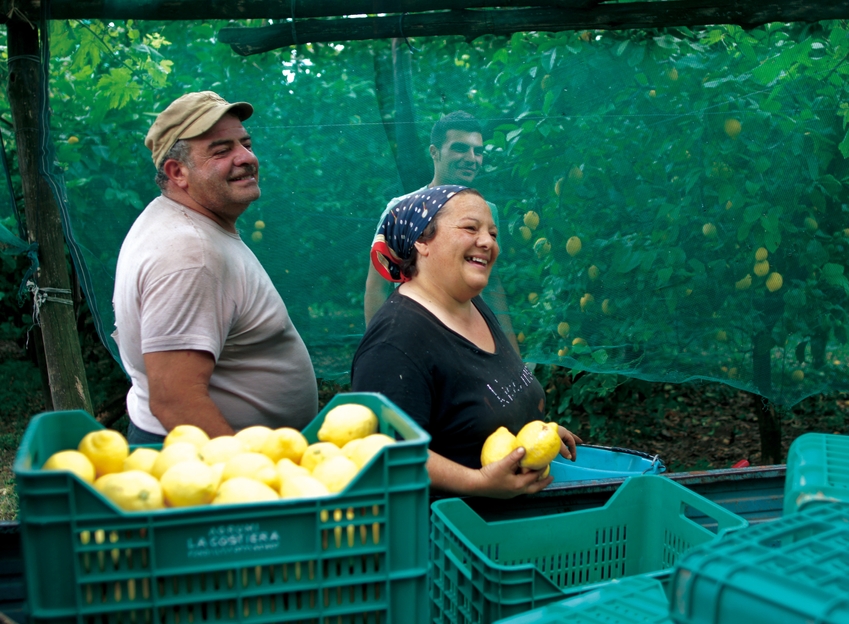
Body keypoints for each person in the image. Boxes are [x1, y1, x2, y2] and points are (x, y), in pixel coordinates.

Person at [112, 91, 318, 444]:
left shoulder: (182, 221)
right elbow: (176, 402)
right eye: (221, 151)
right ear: (178, 172)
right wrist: (251, 477)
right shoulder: (190, 253)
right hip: (203, 463)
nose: (247, 158)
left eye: (246, 143)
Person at [351, 186, 580, 498]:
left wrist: (534, 432)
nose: (487, 242)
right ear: (421, 241)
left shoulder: (473, 306)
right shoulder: (395, 341)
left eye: (493, 233)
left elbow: (475, 414)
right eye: (471, 228)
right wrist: (479, 483)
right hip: (444, 533)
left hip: (502, 529)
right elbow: (383, 451)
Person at [363, 112, 519, 354]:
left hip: (470, 343)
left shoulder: (488, 212)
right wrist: (377, 352)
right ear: (434, 152)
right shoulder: (402, 209)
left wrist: (511, 354)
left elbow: (492, 286)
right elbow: (377, 286)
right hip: (412, 339)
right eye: (460, 148)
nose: (471, 158)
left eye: (478, 151)